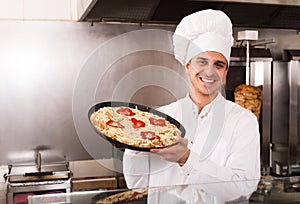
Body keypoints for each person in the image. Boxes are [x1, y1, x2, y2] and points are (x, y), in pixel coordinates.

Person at [123, 9, 260, 203]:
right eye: (202, 61)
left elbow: (242, 188)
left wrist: (186, 159)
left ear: (225, 72)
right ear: (188, 66)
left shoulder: (243, 121)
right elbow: (138, 185)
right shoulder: (160, 117)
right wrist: (133, 146)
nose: (209, 72)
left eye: (218, 65)